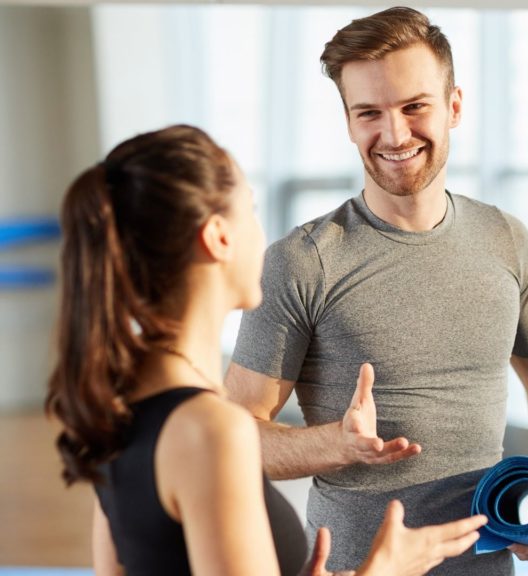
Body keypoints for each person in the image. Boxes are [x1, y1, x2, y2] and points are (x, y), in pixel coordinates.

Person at [224, 7, 528, 575]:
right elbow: (233, 436)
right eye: (369, 112)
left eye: (414, 106)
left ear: (453, 107)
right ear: (349, 122)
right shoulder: (302, 262)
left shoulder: (506, 240)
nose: (394, 133)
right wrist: (336, 444)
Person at [45, 124, 487, 576]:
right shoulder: (211, 431)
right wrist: (384, 570)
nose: (263, 235)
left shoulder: (117, 411)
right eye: (250, 210)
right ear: (218, 236)